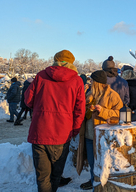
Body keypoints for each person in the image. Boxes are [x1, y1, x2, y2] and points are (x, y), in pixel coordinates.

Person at [24, 50, 86, 192]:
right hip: (62, 134)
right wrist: (74, 130)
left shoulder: (41, 76)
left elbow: (28, 101)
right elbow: (80, 110)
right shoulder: (76, 80)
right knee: (55, 175)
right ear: (71, 62)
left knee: (42, 177)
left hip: (40, 132)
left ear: (55, 60)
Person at [77, 70, 123, 190]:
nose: (90, 83)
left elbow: (120, 115)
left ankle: (103, 188)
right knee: (93, 167)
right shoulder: (89, 94)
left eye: (92, 80)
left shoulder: (112, 95)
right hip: (88, 136)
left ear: (97, 82)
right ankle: (95, 188)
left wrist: (102, 111)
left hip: (103, 138)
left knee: (103, 167)